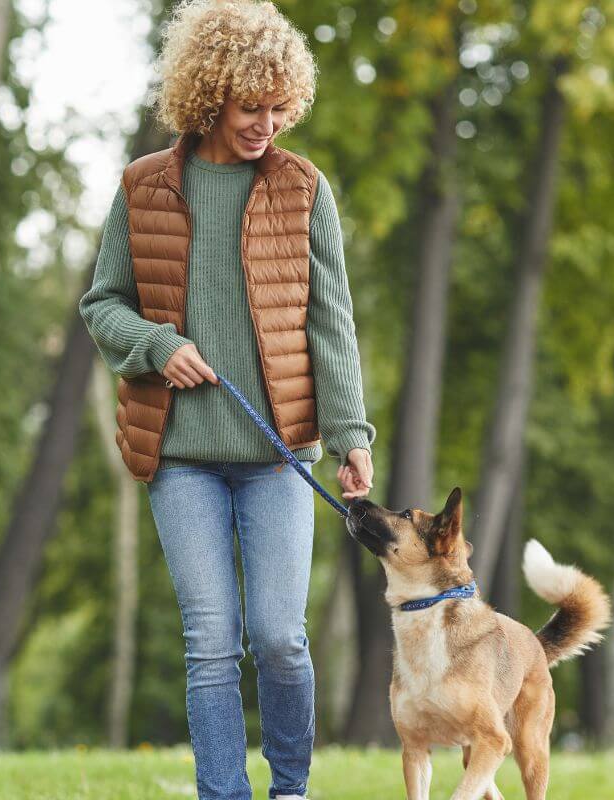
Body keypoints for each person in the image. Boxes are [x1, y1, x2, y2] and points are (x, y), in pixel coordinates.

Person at [79, 2, 376, 798]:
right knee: (211, 642)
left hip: (278, 455)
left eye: (281, 108)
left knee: (280, 638)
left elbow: (331, 321)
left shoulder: (302, 188)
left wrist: (351, 432)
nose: (267, 124)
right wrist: (157, 345)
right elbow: (102, 302)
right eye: (253, 107)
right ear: (209, 95)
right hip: (180, 456)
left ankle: (291, 791)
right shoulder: (144, 187)